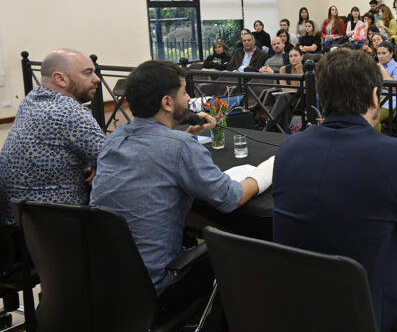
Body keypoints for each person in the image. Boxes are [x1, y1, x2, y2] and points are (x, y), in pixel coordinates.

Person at [272, 49, 397, 332]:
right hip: (371, 315)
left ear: (323, 97)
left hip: (298, 311)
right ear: (374, 97)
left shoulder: (288, 150)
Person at [91, 61, 272, 298]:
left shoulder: (115, 138)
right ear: (167, 102)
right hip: (154, 282)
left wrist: (186, 138)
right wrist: (267, 170)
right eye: (185, 92)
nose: (188, 99)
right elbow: (231, 198)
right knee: (242, 261)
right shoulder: (179, 147)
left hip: (104, 277)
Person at [0, 49, 105, 226]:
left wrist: (95, 163)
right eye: (88, 73)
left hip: (17, 218)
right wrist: (99, 163)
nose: (97, 79)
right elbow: (114, 162)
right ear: (60, 79)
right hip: (56, 227)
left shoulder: (31, 100)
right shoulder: (69, 111)